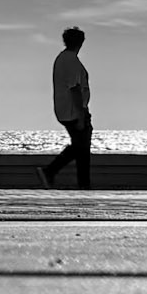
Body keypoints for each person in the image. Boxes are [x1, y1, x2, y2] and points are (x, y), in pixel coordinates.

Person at [38, 25, 92, 189]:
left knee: (81, 147)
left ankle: (83, 184)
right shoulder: (70, 60)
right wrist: (81, 115)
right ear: (80, 42)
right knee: (81, 147)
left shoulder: (63, 58)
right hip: (73, 112)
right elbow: (74, 89)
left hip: (67, 110)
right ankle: (50, 171)